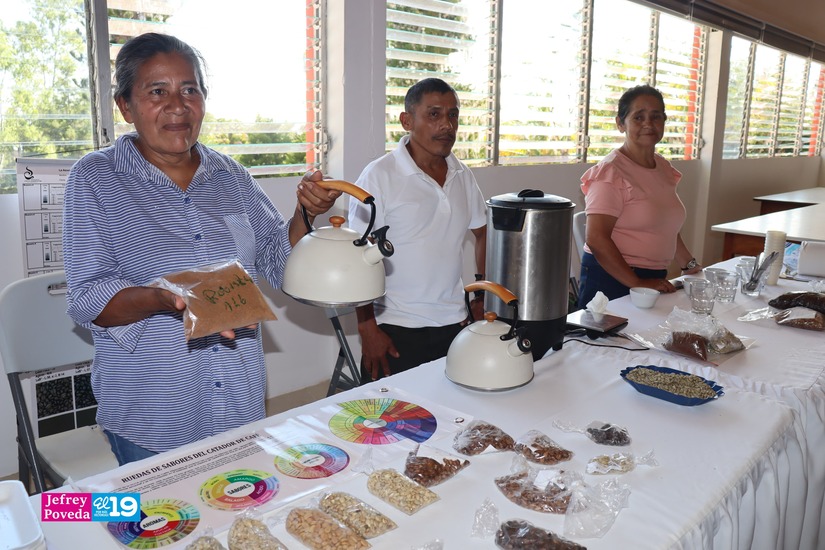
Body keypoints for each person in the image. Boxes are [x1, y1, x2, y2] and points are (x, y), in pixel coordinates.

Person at [62, 33, 341, 466]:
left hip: (238, 401)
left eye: (190, 89)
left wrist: (305, 214)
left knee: (235, 515)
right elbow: (88, 298)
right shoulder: (96, 178)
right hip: (154, 413)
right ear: (125, 106)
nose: (178, 105)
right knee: (160, 527)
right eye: (158, 92)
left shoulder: (231, 176)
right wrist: (162, 299)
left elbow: (277, 259)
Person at [348, 77, 487, 383]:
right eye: (434, 114)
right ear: (407, 120)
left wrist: (481, 293)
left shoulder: (462, 175)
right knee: (392, 426)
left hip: (455, 323)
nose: (447, 125)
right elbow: (356, 254)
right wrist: (367, 327)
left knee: (459, 419)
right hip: (395, 328)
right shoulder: (379, 176)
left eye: (453, 115)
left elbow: (482, 232)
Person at [577, 84, 702, 308]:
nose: (648, 124)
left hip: (652, 278)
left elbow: (665, 225)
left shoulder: (662, 167)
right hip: (612, 279)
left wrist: (690, 266)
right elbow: (596, 238)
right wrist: (636, 282)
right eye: (638, 117)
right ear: (620, 123)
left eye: (656, 116)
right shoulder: (610, 172)